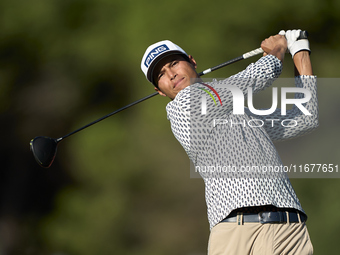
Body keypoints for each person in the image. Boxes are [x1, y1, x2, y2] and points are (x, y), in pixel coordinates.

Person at [141, 30, 317, 255]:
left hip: (289, 229)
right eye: (162, 75)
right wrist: (277, 49)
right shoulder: (185, 106)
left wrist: (300, 50)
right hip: (237, 231)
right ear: (159, 91)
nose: (172, 74)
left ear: (192, 62)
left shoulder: (240, 113)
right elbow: (259, 75)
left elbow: (305, 119)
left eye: (174, 63)